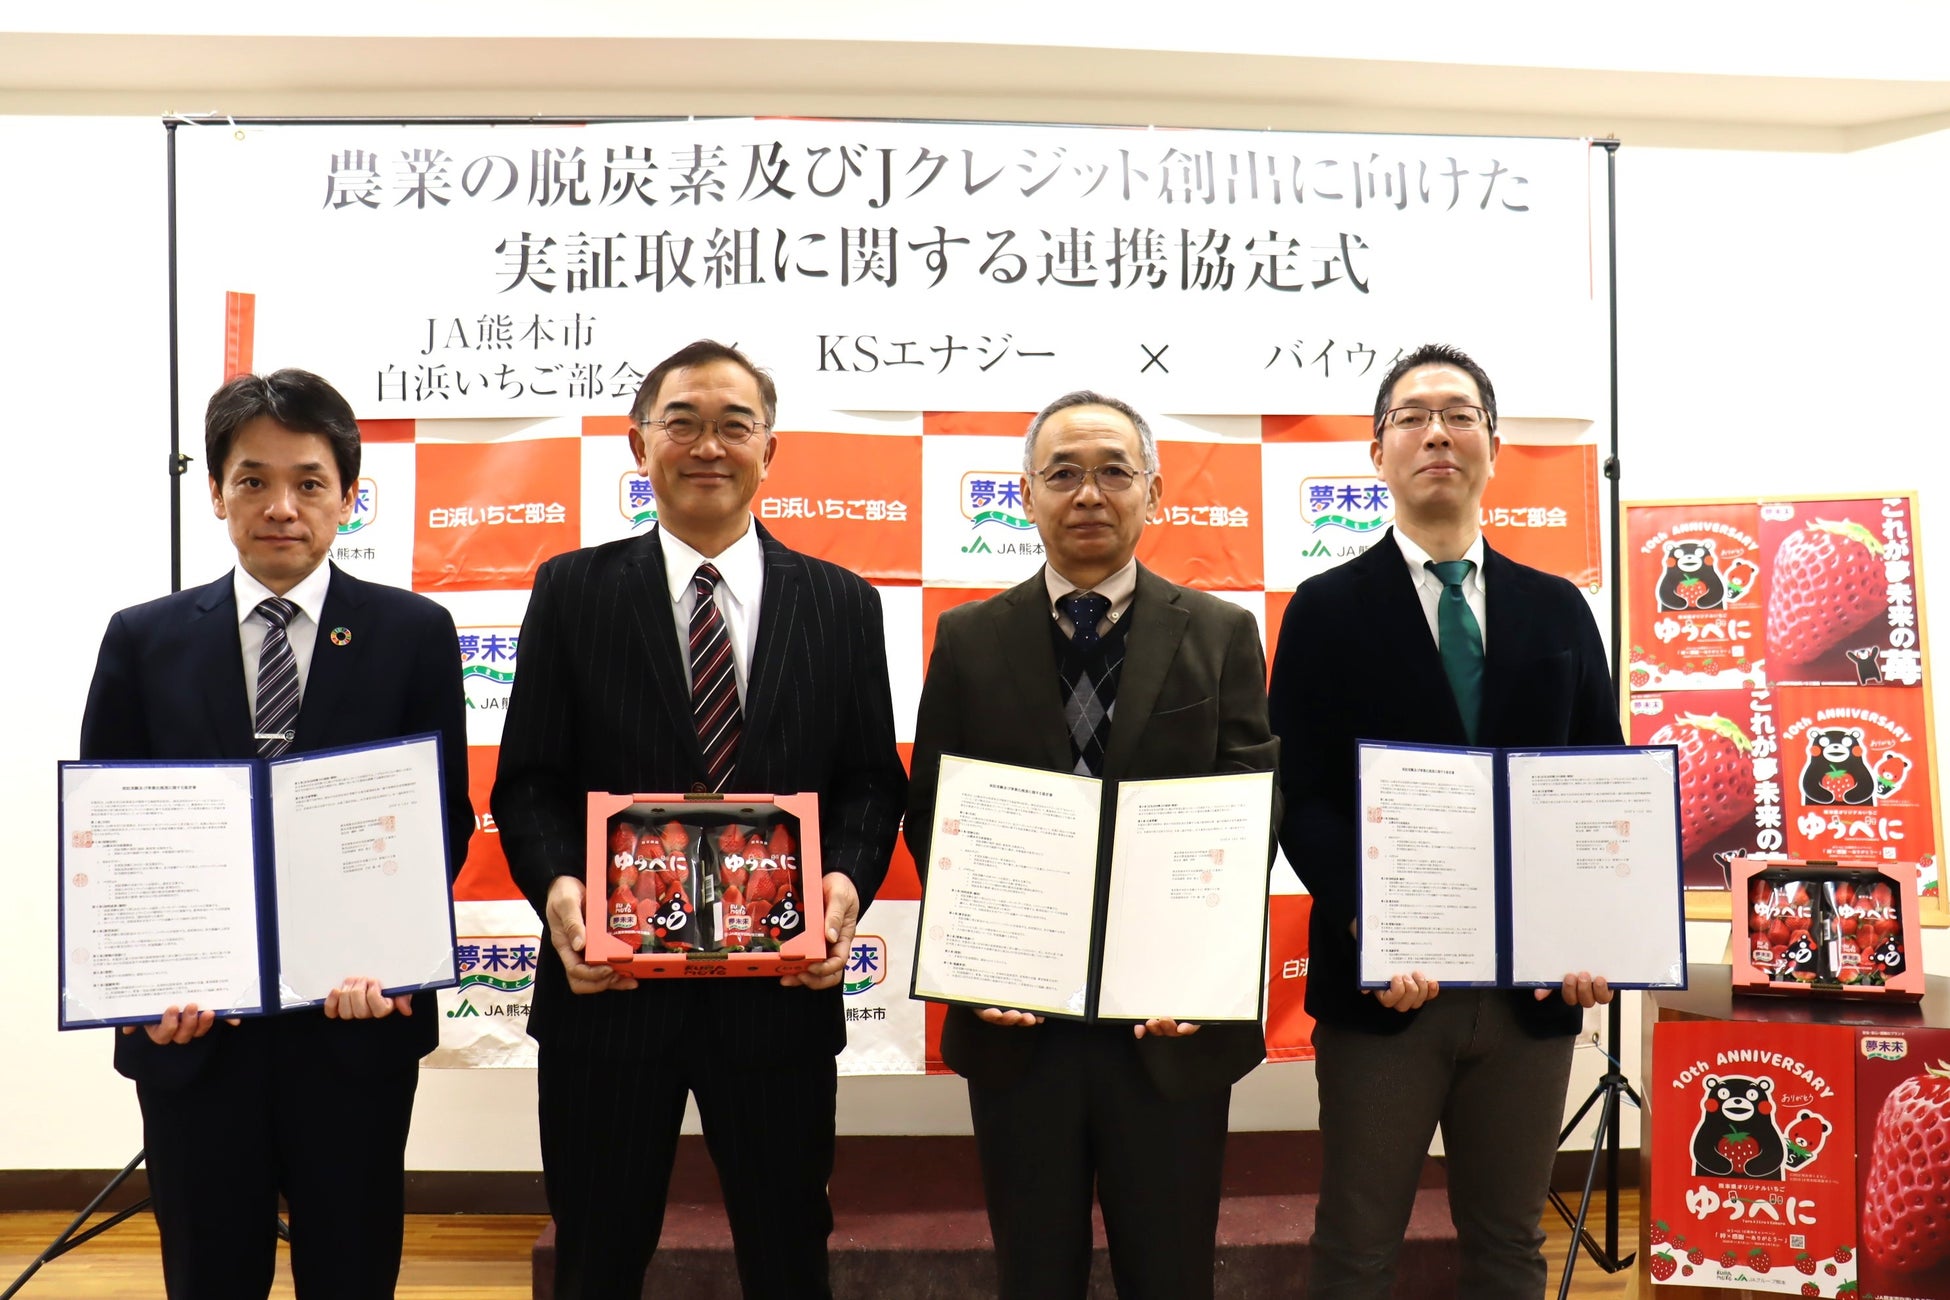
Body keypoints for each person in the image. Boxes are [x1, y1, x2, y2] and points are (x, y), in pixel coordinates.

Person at [491, 339, 907, 1300]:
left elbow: (869, 784)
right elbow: (528, 783)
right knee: (596, 1257)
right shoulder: (571, 590)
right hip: (610, 993)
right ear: (640, 445)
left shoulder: (842, 602)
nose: (708, 446)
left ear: (771, 449)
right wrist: (559, 893)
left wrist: (844, 884)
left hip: (779, 1000)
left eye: (734, 425)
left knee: (789, 1254)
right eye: (682, 423)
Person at [78, 369, 472, 1299]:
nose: (281, 507)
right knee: (209, 1274)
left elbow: (441, 821)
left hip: (354, 1023)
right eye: (252, 480)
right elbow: (111, 832)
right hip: (194, 1033)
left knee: (351, 1269)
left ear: (349, 496)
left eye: (308, 482)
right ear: (217, 492)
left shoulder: (413, 632)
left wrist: (392, 956)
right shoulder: (144, 639)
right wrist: (142, 983)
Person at [905, 390, 1278, 1300]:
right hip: (1018, 1023)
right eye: (1063, 473)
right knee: (1034, 1271)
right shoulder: (968, 638)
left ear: (1154, 490)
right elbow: (934, 813)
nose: (1088, 494)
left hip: (1170, 1026)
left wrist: (1200, 972)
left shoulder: (1222, 632)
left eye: (1114, 471)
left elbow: (1249, 815)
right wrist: (981, 964)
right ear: (1025, 493)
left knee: (1171, 1272)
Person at [1267, 343, 1619, 1297]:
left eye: (1460, 415)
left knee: (1509, 1244)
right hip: (1386, 990)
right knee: (1357, 1246)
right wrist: (1369, 922)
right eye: (1413, 417)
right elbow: (1301, 794)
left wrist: (1590, 932)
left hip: (1531, 996)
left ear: (1493, 447)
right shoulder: (1324, 609)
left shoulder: (1559, 610)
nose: (1437, 434)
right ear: (1377, 451)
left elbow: (1598, 786)